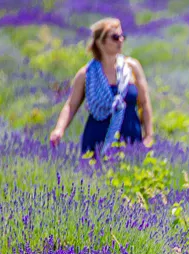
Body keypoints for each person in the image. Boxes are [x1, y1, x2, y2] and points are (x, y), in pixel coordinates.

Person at [49, 17, 154, 156]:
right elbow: (71, 106)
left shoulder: (132, 68)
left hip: (130, 139)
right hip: (97, 140)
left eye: (123, 36)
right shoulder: (86, 74)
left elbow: (144, 103)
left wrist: (149, 135)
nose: (120, 40)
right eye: (115, 37)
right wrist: (59, 130)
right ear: (100, 42)